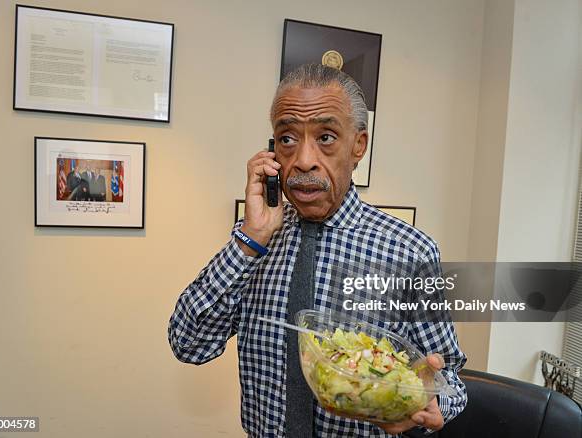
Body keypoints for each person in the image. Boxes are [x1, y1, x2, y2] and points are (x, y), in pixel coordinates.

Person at [168, 63, 467, 437]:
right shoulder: (254, 242)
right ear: (272, 151)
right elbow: (188, 343)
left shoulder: (410, 252)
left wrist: (425, 406)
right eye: (288, 139)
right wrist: (250, 239)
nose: (304, 159)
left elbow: (450, 379)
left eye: (326, 137)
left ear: (359, 145)